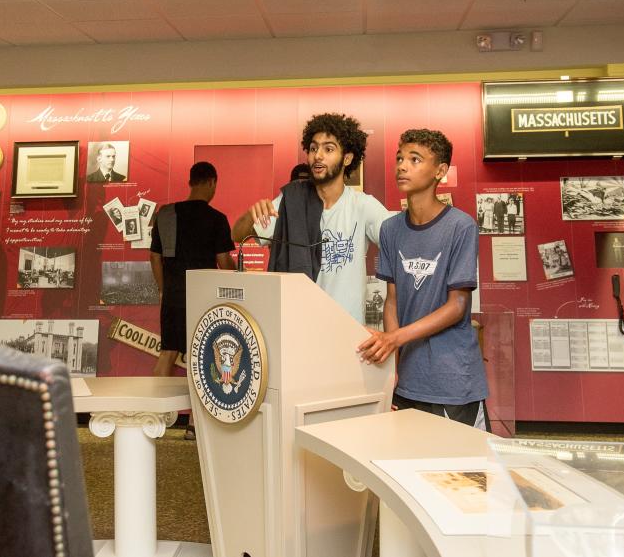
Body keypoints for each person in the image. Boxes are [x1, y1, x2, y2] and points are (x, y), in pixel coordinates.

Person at [358, 129, 489, 430]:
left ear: (440, 171)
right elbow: (393, 300)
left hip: (453, 379)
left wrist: (394, 339)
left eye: (415, 159)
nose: (402, 166)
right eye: (400, 158)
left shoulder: (461, 226)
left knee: (460, 473)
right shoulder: (390, 229)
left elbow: (457, 306)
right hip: (408, 380)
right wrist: (393, 358)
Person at [231, 113, 393, 328]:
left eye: (328, 149)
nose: (318, 156)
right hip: (298, 326)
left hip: (346, 331)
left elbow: (398, 243)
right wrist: (251, 214)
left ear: (347, 158)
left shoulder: (362, 206)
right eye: (314, 148)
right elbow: (237, 235)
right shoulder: (291, 200)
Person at [150, 162, 235, 378]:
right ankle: (198, 414)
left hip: (174, 296)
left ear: (190, 182)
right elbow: (223, 260)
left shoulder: (166, 214)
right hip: (204, 298)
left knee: (168, 353)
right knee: (205, 355)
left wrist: (163, 290)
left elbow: (154, 257)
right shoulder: (217, 219)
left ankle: (155, 411)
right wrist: (239, 280)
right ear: (211, 182)